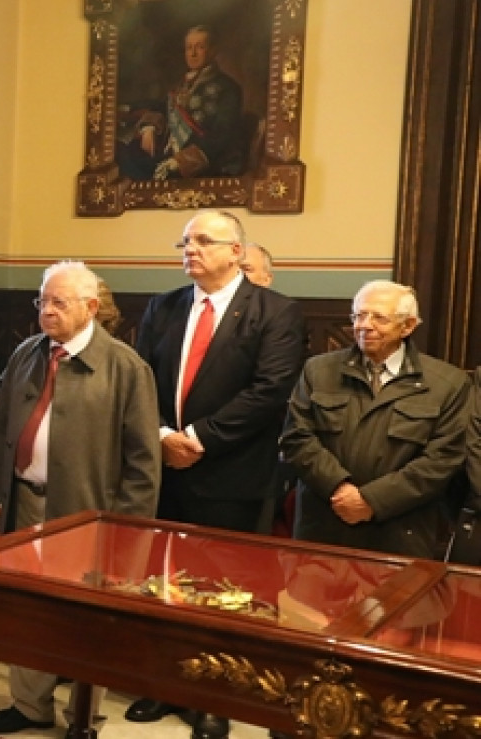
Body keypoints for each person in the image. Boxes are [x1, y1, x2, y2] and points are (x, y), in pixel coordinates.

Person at [127, 210, 304, 734]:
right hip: (166, 471)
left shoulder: (275, 312)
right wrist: (163, 437)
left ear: (235, 251)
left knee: (228, 594)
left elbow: (270, 391)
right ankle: (164, 686)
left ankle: (217, 699)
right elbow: (142, 379)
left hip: (233, 475)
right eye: (185, 240)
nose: (191, 248)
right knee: (163, 586)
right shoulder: (165, 306)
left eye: (204, 240)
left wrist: (199, 439)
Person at [0, 261, 160, 735]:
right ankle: (28, 705)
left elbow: (144, 463)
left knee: (83, 620)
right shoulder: (26, 353)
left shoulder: (125, 367)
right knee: (26, 611)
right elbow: (2, 430)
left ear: (92, 308)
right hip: (23, 503)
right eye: (42, 301)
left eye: (59, 302)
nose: (47, 311)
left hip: (87, 516)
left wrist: (127, 532)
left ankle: (84, 718)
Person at [280, 280, 470, 560]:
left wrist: (372, 500)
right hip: (324, 522)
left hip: (400, 530)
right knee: (315, 604)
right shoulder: (318, 370)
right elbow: (296, 438)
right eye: (358, 315)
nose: (364, 325)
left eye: (379, 317)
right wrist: (339, 487)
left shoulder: (448, 383)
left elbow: (442, 460)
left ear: (408, 326)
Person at [118, 25, 247, 181]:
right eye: (189, 48)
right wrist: (149, 127)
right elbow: (163, 106)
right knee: (120, 151)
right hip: (169, 157)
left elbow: (222, 136)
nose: (192, 54)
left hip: (206, 165)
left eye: (199, 47)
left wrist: (179, 161)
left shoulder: (228, 88)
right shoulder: (182, 85)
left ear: (213, 50)